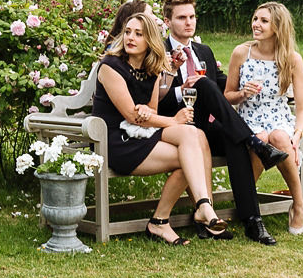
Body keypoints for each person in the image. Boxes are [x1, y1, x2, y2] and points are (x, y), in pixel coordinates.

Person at [157, 0, 289, 245]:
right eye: (182, 17)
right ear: (167, 22)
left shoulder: (202, 50)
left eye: (192, 17)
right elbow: (153, 99)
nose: (189, 22)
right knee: (205, 88)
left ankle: (252, 221)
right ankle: (255, 142)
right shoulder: (158, 51)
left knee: (233, 137)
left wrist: (244, 89)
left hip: (204, 124)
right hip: (175, 124)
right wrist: (182, 89)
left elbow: (221, 87)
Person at [91, 12, 228, 246]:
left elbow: (150, 112)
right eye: (127, 32)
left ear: (150, 40)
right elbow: (131, 117)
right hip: (117, 141)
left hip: (143, 134)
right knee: (191, 154)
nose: (130, 38)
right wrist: (172, 120)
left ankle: (185, 212)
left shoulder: (151, 68)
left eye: (138, 34)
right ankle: (184, 214)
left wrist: (149, 112)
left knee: (193, 135)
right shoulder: (110, 67)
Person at [224, 2, 303, 235]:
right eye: (255, 19)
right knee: (260, 138)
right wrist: (243, 93)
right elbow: (227, 97)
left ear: (277, 27)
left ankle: (298, 204)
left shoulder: (292, 59)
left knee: (281, 138)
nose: (256, 24)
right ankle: (248, 206)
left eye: (263, 21)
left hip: (279, 117)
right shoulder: (242, 52)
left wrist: (297, 134)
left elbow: (301, 108)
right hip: (248, 118)